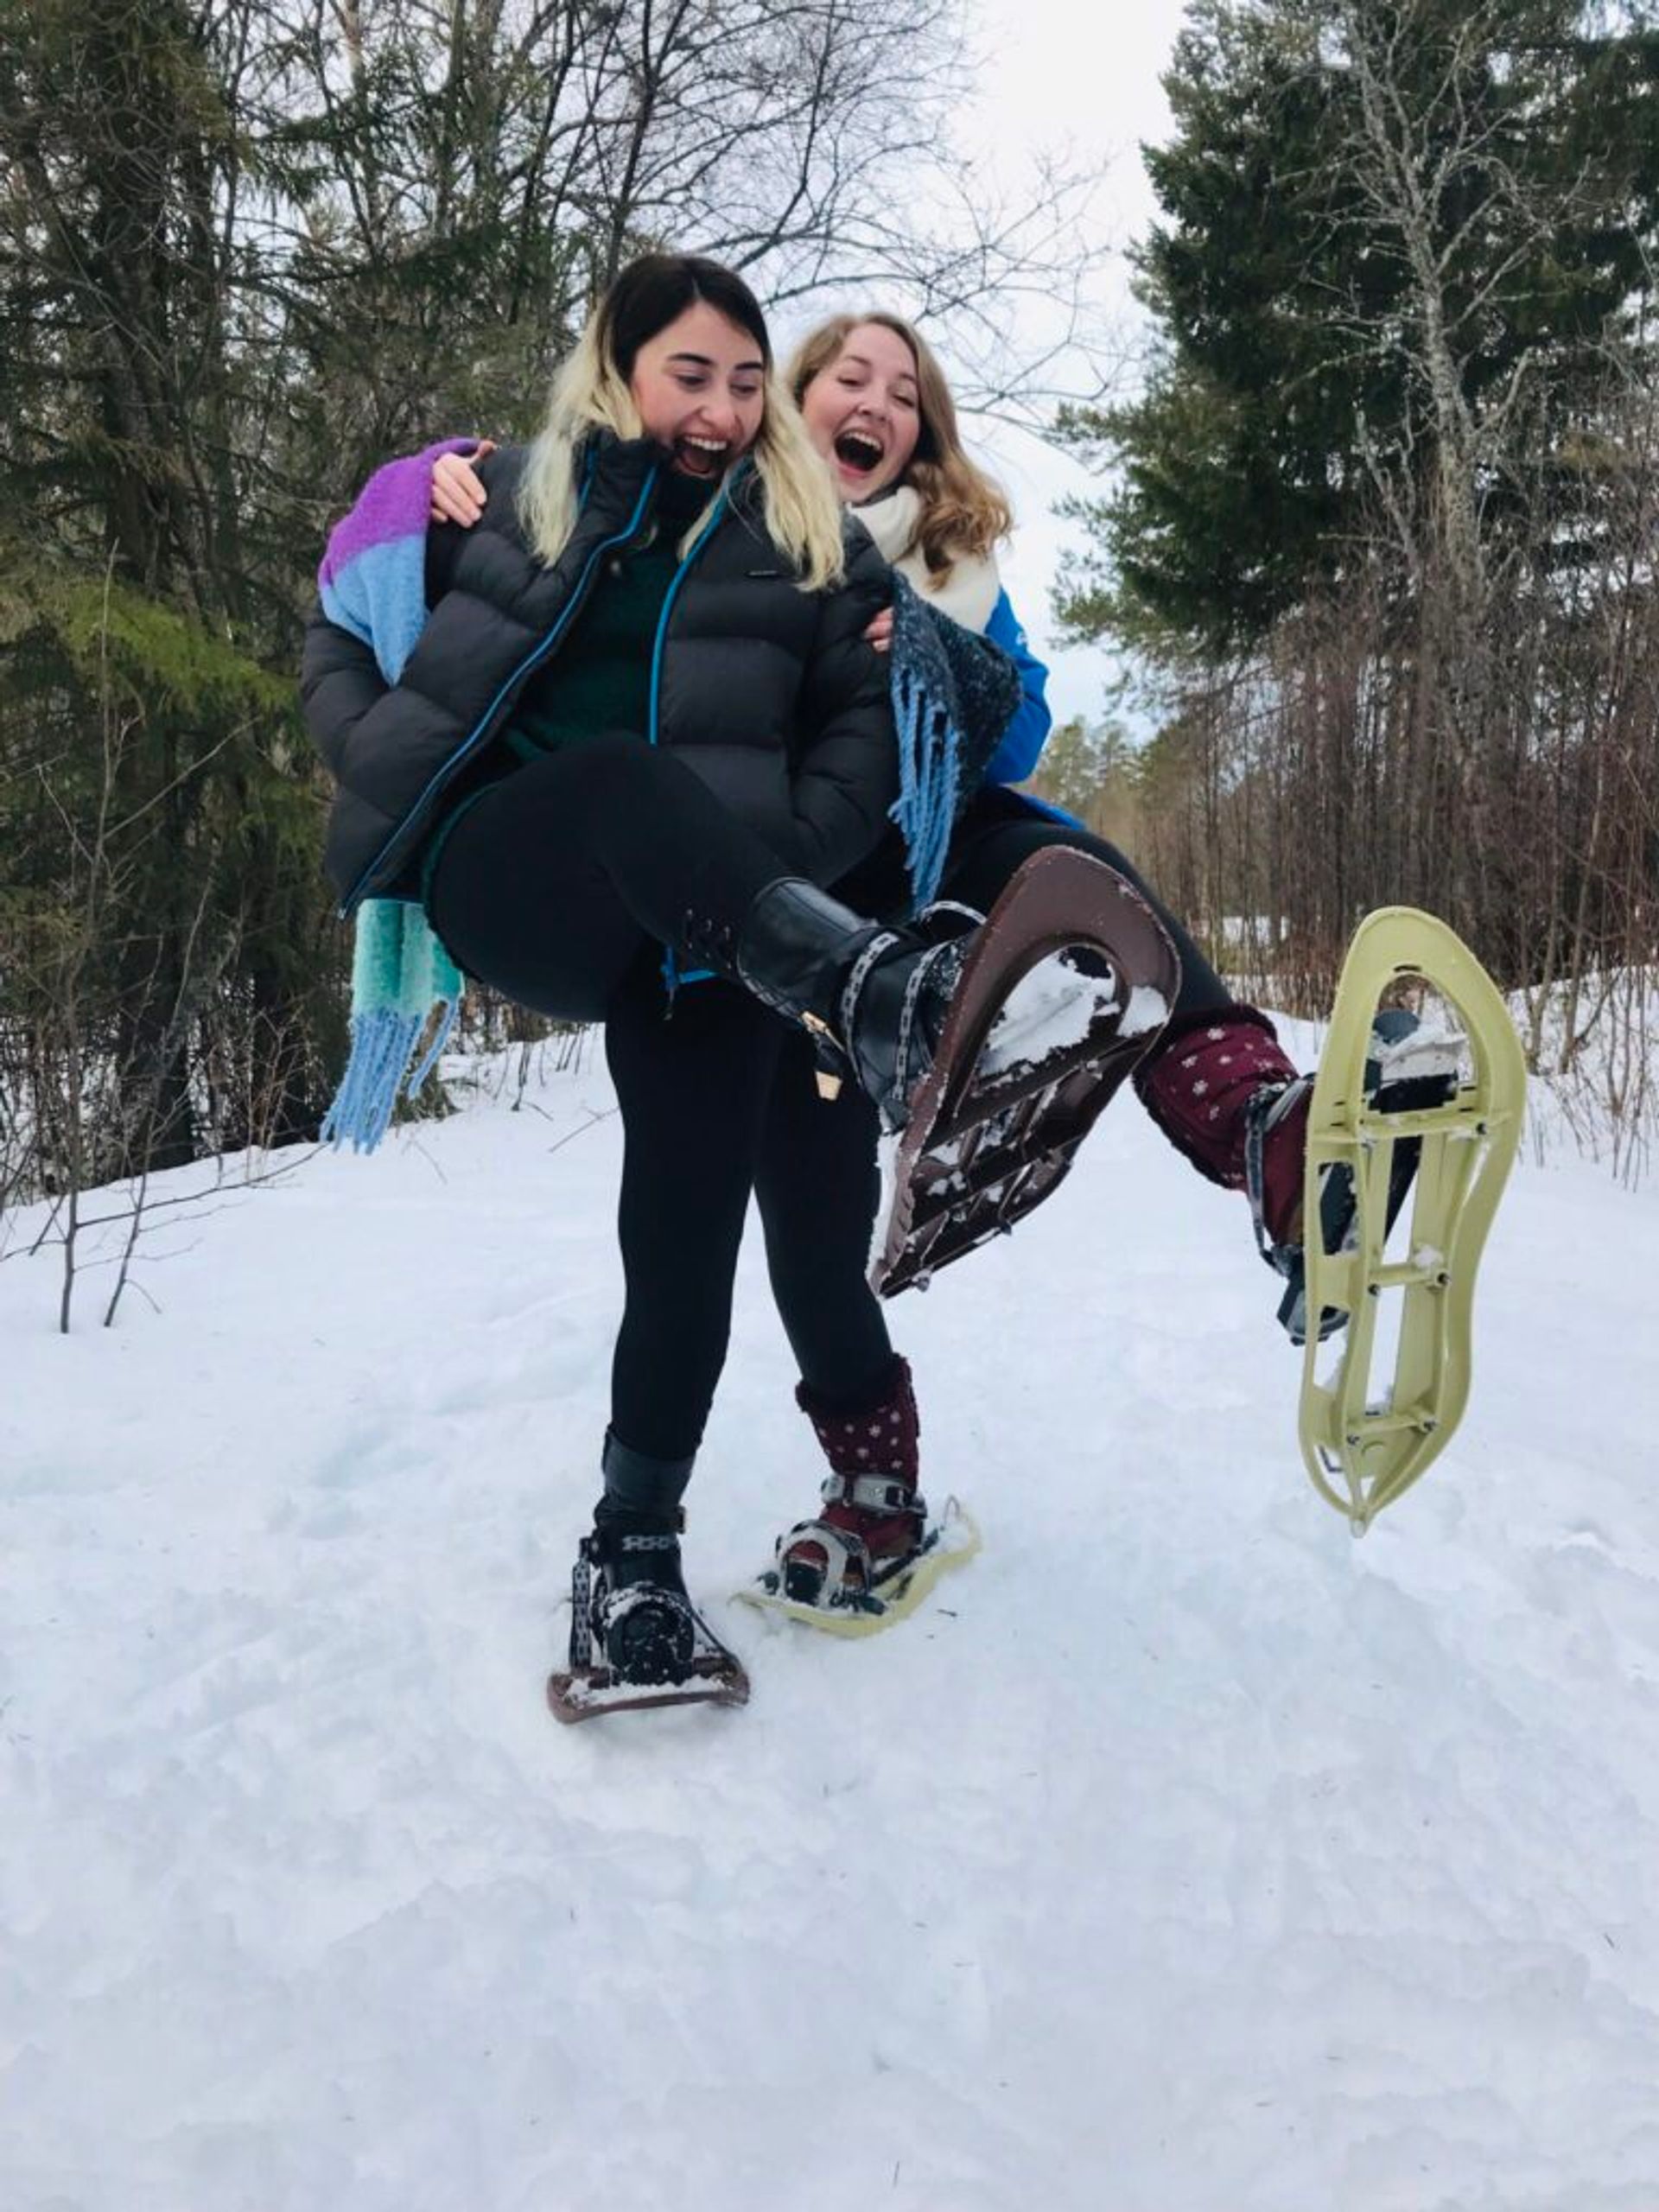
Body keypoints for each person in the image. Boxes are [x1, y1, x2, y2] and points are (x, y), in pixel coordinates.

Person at [415, 309, 1334, 1616]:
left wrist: (934, 653)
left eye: (904, 393)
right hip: (752, 926)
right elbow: (561, 550)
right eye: (850, 376)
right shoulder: (718, 526)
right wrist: (429, 476)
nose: (878, 402)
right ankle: (866, 1498)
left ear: (922, 437)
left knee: (1054, 847)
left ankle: (1265, 1133)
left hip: (903, 918)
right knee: (807, 1250)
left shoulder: (950, 567)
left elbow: (1016, 731)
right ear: (792, 403)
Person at [301, 253, 1098, 1688]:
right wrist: (381, 753)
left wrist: (777, 866)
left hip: (723, 931)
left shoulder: (805, 541)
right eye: (691, 376)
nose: (723, 410)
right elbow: (342, 616)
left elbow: (874, 716)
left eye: (744, 383)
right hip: (521, 873)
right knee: (618, 777)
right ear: (618, 371)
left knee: (701, 1237)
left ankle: (635, 1559)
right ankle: (869, 988)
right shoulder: (514, 494)